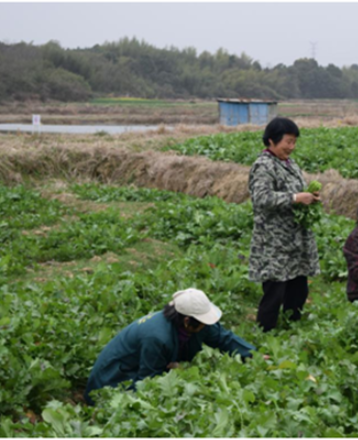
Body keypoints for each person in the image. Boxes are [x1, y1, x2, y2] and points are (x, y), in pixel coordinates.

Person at [84, 288, 256, 405]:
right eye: (203, 322)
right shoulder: (156, 337)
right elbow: (147, 382)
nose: (207, 325)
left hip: (141, 368)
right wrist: (179, 373)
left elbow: (222, 338)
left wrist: (253, 355)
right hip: (115, 378)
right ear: (187, 322)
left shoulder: (195, 322)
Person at [248, 117, 320, 332]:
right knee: (275, 289)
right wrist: (295, 198)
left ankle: (292, 328)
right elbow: (261, 198)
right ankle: (265, 332)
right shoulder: (263, 165)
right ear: (271, 140)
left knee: (298, 286)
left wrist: (309, 197)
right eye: (288, 142)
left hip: (295, 237)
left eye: (294, 142)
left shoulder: (288, 163)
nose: (291, 147)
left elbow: (295, 190)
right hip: (274, 239)